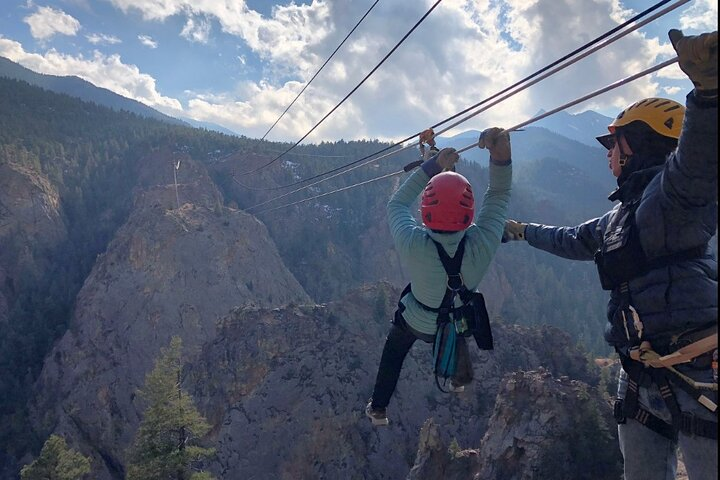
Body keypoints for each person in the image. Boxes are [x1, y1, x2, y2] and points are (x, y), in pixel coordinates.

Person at [501, 29, 717, 479]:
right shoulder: (622, 216)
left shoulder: (676, 194)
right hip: (640, 372)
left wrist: (708, 93)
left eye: (612, 145)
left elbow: (700, 156)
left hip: (696, 369)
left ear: (637, 144)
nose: (607, 156)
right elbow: (571, 239)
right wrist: (523, 232)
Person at [366, 126, 513, 426]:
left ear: (425, 211)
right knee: (452, 322)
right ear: (469, 213)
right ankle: (458, 379)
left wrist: (430, 166)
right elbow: (498, 195)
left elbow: (396, 204)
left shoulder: (413, 243)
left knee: (394, 351)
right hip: (451, 322)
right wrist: (501, 156)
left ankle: (379, 408)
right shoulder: (481, 244)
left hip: (414, 320)